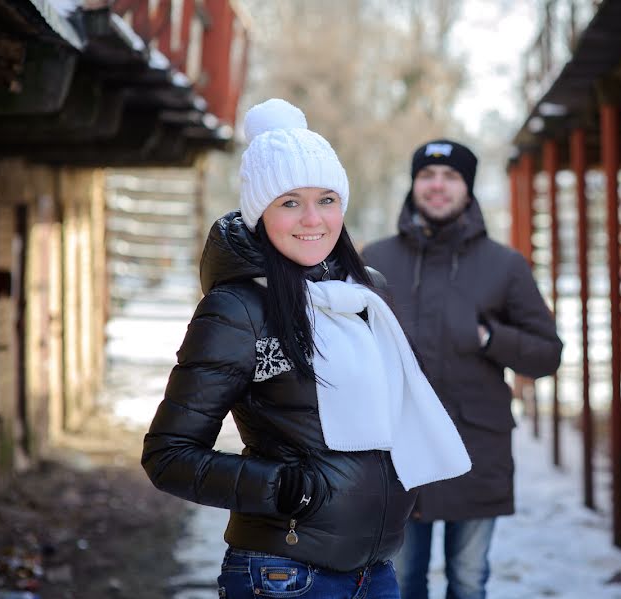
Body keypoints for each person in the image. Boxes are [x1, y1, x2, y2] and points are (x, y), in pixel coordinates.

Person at [141, 100, 471, 599]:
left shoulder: (367, 295)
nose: (313, 219)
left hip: (375, 570)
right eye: (290, 202)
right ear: (260, 213)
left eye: (327, 199)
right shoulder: (238, 309)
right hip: (285, 573)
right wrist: (286, 488)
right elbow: (168, 456)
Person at [362, 140, 563, 599]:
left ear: (468, 189)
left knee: (468, 582)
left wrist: (492, 339)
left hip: (476, 451)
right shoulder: (375, 260)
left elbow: (547, 353)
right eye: (427, 176)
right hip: (397, 455)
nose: (437, 186)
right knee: (397, 582)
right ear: (413, 185)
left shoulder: (504, 265)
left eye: (450, 177)